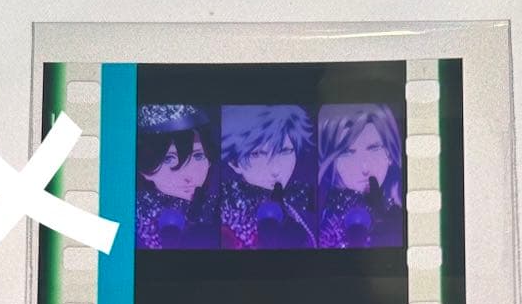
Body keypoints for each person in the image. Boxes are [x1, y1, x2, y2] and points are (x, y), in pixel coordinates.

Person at [220, 105, 316, 249]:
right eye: (257, 154)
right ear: (234, 162)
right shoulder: (226, 215)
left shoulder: (302, 203)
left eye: (285, 151)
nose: (276, 169)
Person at [318, 104, 403, 248]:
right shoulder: (321, 219)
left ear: (389, 153)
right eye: (348, 153)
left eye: (374, 149)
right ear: (333, 161)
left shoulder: (399, 213)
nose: (364, 168)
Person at [136, 104, 219, 249]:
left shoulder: (217, 207)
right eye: (168, 159)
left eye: (198, 156)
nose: (189, 176)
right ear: (145, 167)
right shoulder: (127, 208)